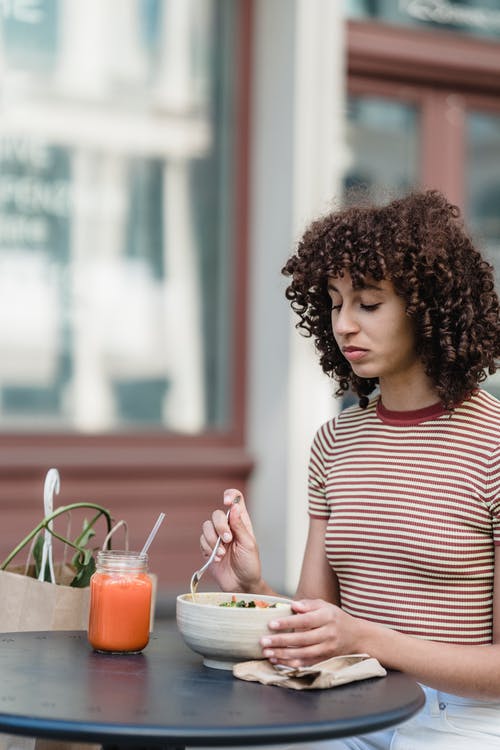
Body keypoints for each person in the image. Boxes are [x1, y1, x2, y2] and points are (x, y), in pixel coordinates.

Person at [199, 189, 500, 749]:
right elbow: (322, 622)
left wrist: (366, 638)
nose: (344, 325)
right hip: (348, 696)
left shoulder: (493, 444)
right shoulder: (337, 441)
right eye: (335, 303)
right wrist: (254, 587)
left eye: (368, 302)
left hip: (462, 717)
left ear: (427, 305)